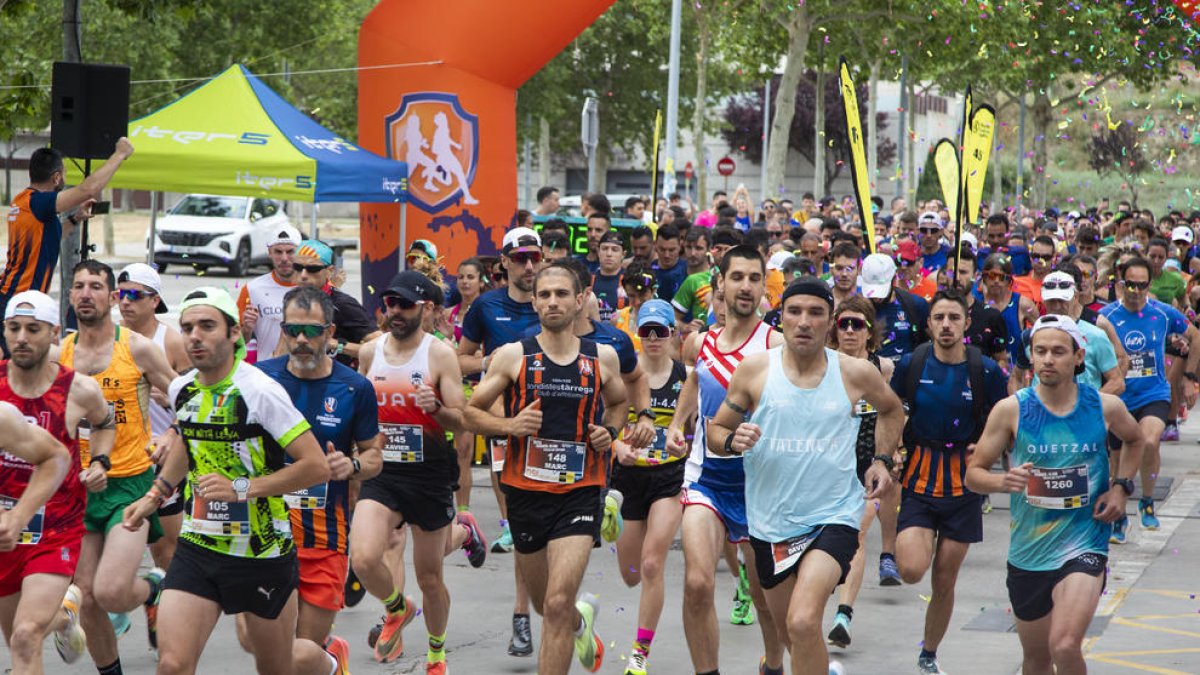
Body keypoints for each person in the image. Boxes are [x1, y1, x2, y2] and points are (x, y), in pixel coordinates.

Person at [120, 286, 334, 675]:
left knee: (275, 668)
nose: (194, 336)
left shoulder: (260, 391)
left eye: (207, 326)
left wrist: (243, 489)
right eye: (187, 328)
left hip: (260, 553)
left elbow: (316, 466)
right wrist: (154, 496)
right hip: (198, 545)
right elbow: (189, 442)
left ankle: (330, 666)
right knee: (172, 665)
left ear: (234, 333)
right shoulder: (182, 389)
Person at [706, 277, 903, 675]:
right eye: (794, 311)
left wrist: (881, 459)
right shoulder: (755, 370)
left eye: (816, 313)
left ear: (829, 321)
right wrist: (732, 440)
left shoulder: (855, 372)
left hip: (833, 516)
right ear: (781, 318)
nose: (804, 321)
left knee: (801, 621)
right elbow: (715, 432)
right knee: (789, 634)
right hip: (770, 522)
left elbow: (892, 409)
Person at [464, 263, 629, 674]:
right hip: (524, 491)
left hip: (581, 490)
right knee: (545, 605)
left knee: (556, 601)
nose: (552, 301)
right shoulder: (513, 356)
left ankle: (568, 617)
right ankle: (579, 622)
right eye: (544, 294)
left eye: (561, 293)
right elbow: (470, 413)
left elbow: (621, 402)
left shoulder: (601, 357)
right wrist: (508, 426)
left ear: (579, 300)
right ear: (534, 302)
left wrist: (609, 431)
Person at [965, 314, 1145, 675]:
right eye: (1040, 351)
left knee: (1064, 645)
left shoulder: (1103, 406)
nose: (1048, 359)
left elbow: (1136, 438)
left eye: (1058, 351)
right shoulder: (1012, 409)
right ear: (1031, 356)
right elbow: (973, 474)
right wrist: (1002, 482)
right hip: (1029, 550)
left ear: (1078, 357)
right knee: (1036, 660)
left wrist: (1121, 487)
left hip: (1084, 543)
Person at [351, 271, 488, 670]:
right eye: (390, 303)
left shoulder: (439, 354)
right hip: (382, 472)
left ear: (426, 309)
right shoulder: (369, 352)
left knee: (430, 576)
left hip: (428, 472)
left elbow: (460, 420)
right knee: (363, 558)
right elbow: (360, 407)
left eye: (405, 305)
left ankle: (436, 653)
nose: (394, 311)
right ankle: (398, 608)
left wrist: (435, 408)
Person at [665, 245, 787, 675]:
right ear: (720, 283)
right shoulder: (698, 342)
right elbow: (695, 382)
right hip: (707, 479)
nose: (746, 286)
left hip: (761, 486)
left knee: (766, 598)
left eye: (755, 278)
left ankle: (773, 664)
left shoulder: (776, 345)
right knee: (698, 583)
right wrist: (678, 425)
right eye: (737, 277)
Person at [251, 286, 384, 666]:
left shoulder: (354, 387)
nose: (302, 340)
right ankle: (328, 662)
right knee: (256, 643)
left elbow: (375, 456)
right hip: (264, 535)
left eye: (312, 331)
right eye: (292, 330)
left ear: (330, 332)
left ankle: (324, 660)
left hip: (323, 537)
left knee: (297, 653)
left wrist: (353, 466)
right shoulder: (260, 380)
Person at [60, 260, 182, 668]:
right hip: (77, 489)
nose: (85, 293)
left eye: (96, 286)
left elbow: (189, 400)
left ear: (112, 297)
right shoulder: (60, 352)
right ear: (71, 294)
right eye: (78, 286)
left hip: (129, 485)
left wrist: (168, 436)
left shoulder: (136, 347)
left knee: (111, 592)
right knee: (88, 596)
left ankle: (153, 584)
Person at [891, 290, 1009, 675]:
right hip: (919, 483)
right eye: (938, 317)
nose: (946, 325)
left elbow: (1004, 420)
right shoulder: (912, 364)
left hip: (965, 488)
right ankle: (926, 645)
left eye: (953, 318)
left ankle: (928, 653)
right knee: (910, 570)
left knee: (944, 579)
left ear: (966, 323)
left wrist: (988, 445)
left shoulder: (986, 371)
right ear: (928, 324)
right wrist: (889, 450)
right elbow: (891, 413)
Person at [0, 290, 109, 674]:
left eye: (33, 329)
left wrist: (100, 460)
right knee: (19, 635)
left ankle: (59, 610)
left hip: (56, 525)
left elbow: (104, 422)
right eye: (13, 328)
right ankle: (64, 615)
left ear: (53, 335)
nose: (22, 338)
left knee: (26, 636)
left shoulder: (77, 388)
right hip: (3, 529)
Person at [457, 227, 544, 654]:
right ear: (504, 264)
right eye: (520, 258)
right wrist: (490, 361)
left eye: (535, 257)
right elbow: (461, 358)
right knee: (524, 524)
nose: (529, 266)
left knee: (550, 533)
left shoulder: (556, 297)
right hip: (505, 424)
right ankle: (521, 615)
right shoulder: (486, 306)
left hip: (557, 427)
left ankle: (555, 610)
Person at [609, 299, 687, 675]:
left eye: (661, 331)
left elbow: (698, 426)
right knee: (631, 574)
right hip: (628, 478)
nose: (654, 338)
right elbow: (604, 424)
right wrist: (617, 446)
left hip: (669, 478)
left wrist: (685, 441)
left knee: (654, 563)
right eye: (646, 331)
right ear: (636, 334)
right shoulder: (626, 376)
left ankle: (640, 653)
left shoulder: (686, 376)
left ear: (674, 334)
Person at [1099, 257, 1200, 542]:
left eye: (1142, 285)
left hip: (1154, 393)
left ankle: (1146, 499)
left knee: (1148, 441)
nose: (1136, 291)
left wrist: (1190, 378)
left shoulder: (1163, 313)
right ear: (1121, 284)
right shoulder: (1107, 317)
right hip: (1120, 397)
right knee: (1117, 459)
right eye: (1130, 284)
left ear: (1149, 284)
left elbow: (1195, 337)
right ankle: (1118, 517)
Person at [824, 297, 903, 652]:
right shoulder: (822, 366)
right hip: (825, 465)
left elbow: (894, 412)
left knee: (855, 537)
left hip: (865, 466)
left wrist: (890, 455)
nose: (851, 331)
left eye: (858, 324)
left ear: (871, 332)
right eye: (844, 324)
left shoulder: (882, 368)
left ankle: (843, 614)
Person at [1, 140, 135, 337]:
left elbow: (46, 240)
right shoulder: (39, 202)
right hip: (18, 301)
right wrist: (120, 154)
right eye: (63, 174)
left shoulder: (24, 202)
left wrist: (75, 219)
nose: (64, 178)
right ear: (56, 178)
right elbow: (87, 189)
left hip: (14, 296)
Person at [116, 263, 190, 576]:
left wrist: (168, 399)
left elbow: (193, 401)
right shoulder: (109, 336)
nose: (125, 301)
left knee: (165, 547)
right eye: (120, 294)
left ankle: (162, 609)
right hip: (119, 453)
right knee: (116, 537)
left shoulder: (171, 341)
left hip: (162, 455)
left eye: (134, 294)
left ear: (155, 300)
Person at [1009, 270, 1124, 396]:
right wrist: (1021, 407)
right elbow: (1017, 377)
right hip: (1041, 410)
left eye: (1062, 300)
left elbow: (1117, 381)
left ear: (1075, 297)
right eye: (1052, 300)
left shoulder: (1095, 335)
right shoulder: (1030, 335)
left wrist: (1089, 406)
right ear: (1043, 299)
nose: (1057, 306)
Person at [284, 240, 379, 367]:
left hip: (339, 382)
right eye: (298, 267)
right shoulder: (292, 299)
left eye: (313, 269)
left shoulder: (343, 304)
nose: (303, 275)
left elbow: (381, 348)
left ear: (329, 271)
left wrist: (336, 345)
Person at [237, 224, 303, 362]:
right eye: (278, 252)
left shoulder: (313, 287)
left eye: (290, 251)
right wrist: (247, 329)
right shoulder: (252, 289)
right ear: (269, 253)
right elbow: (237, 342)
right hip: (267, 371)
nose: (284, 258)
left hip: (305, 372)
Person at [859, 253, 929, 361]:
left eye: (881, 289)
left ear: (893, 279)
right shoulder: (857, 308)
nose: (876, 297)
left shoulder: (915, 304)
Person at [980, 253, 1040, 365]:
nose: (997, 281)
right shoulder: (977, 302)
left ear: (1009, 280)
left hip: (1017, 371)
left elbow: (1042, 333)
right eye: (992, 276)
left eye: (1002, 277)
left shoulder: (1023, 304)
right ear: (984, 277)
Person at [672, 227, 714, 333]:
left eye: (698, 248)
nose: (692, 253)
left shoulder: (719, 275)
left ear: (709, 249)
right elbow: (671, 320)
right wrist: (686, 327)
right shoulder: (673, 273)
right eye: (688, 247)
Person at [592, 231, 627, 322]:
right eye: (605, 249)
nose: (609, 254)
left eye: (615, 250)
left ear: (623, 254)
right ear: (598, 252)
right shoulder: (587, 280)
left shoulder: (629, 281)